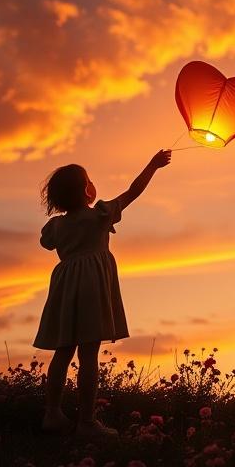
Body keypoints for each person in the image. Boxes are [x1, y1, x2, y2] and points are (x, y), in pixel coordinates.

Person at [34, 149, 172, 438]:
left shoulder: (56, 226)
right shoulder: (100, 214)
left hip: (64, 285)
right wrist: (153, 164)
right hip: (91, 286)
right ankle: (86, 422)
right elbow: (133, 191)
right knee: (88, 354)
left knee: (63, 351)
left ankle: (52, 414)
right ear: (87, 190)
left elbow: (47, 243)